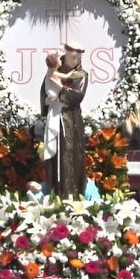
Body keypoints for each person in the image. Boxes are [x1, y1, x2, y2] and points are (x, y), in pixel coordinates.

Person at [40, 43, 88, 197]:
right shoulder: (54, 71)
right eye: (75, 53)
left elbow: (77, 96)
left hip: (71, 121)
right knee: (54, 157)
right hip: (55, 117)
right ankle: (55, 193)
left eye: (80, 54)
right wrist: (47, 101)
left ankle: (72, 196)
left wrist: (60, 90)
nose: (77, 57)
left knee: (72, 158)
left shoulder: (81, 74)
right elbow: (44, 91)